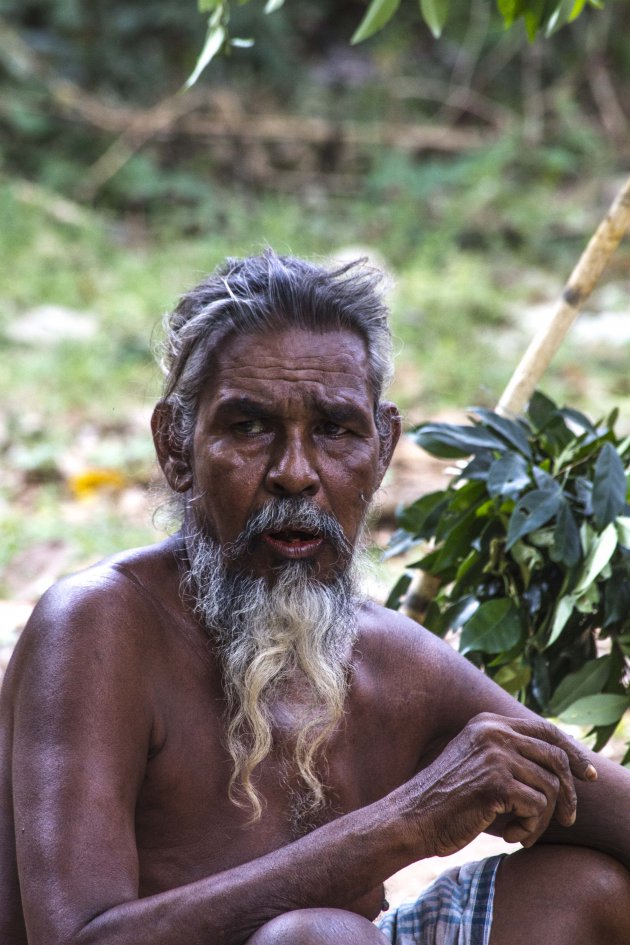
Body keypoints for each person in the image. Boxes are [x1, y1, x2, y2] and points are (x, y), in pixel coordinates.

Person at [1, 251, 629, 945]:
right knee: (317, 939)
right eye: (248, 427)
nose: (295, 473)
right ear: (177, 446)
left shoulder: (394, 662)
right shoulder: (98, 627)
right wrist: (407, 823)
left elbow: (612, 806)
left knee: (587, 891)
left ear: (383, 447)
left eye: (335, 430)